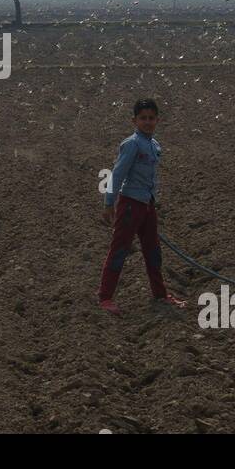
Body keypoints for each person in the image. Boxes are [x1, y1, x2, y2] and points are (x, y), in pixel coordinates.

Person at [97, 99, 187, 315]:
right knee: (120, 249)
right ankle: (105, 297)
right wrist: (109, 203)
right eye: (143, 118)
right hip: (130, 205)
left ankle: (160, 294)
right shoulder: (132, 144)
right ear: (134, 120)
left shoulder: (154, 146)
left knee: (153, 251)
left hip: (147, 205)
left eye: (151, 118)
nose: (147, 122)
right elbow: (117, 174)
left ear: (157, 120)